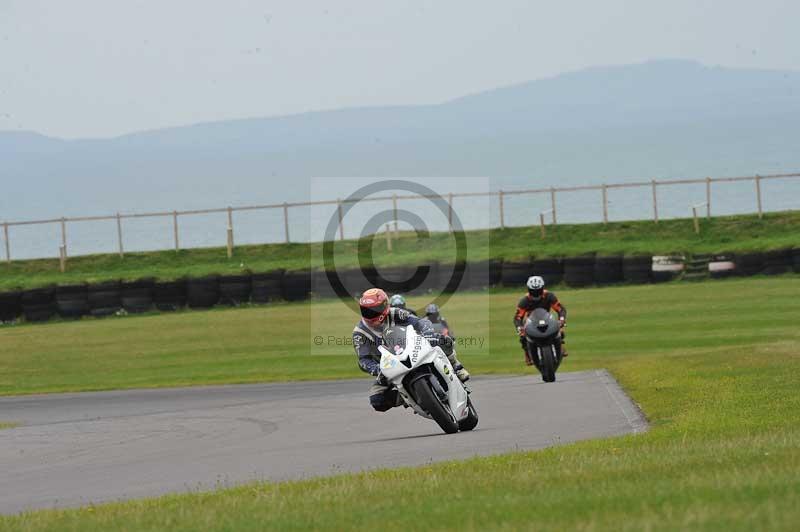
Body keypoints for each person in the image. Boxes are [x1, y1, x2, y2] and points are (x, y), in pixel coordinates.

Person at [354, 288, 469, 412]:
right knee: (376, 400)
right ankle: (409, 397)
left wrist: (427, 333)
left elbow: (421, 322)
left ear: (385, 306)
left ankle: (456, 366)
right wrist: (377, 369)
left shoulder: (396, 313)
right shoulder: (360, 333)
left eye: (374, 310)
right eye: (366, 310)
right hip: (390, 368)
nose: (370, 314)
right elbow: (363, 360)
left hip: (413, 350)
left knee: (442, 340)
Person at [513, 276, 568, 366]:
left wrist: (561, 319)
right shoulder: (524, 300)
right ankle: (527, 354)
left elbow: (560, 309)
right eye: (533, 291)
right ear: (529, 290)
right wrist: (520, 328)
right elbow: (518, 317)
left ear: (542, 288)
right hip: (531, 320)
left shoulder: (549, 296)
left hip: (547, 318)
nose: (536, 294)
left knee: (560, 330)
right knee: (523, 337)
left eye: (538, 291)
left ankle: (560, 345)